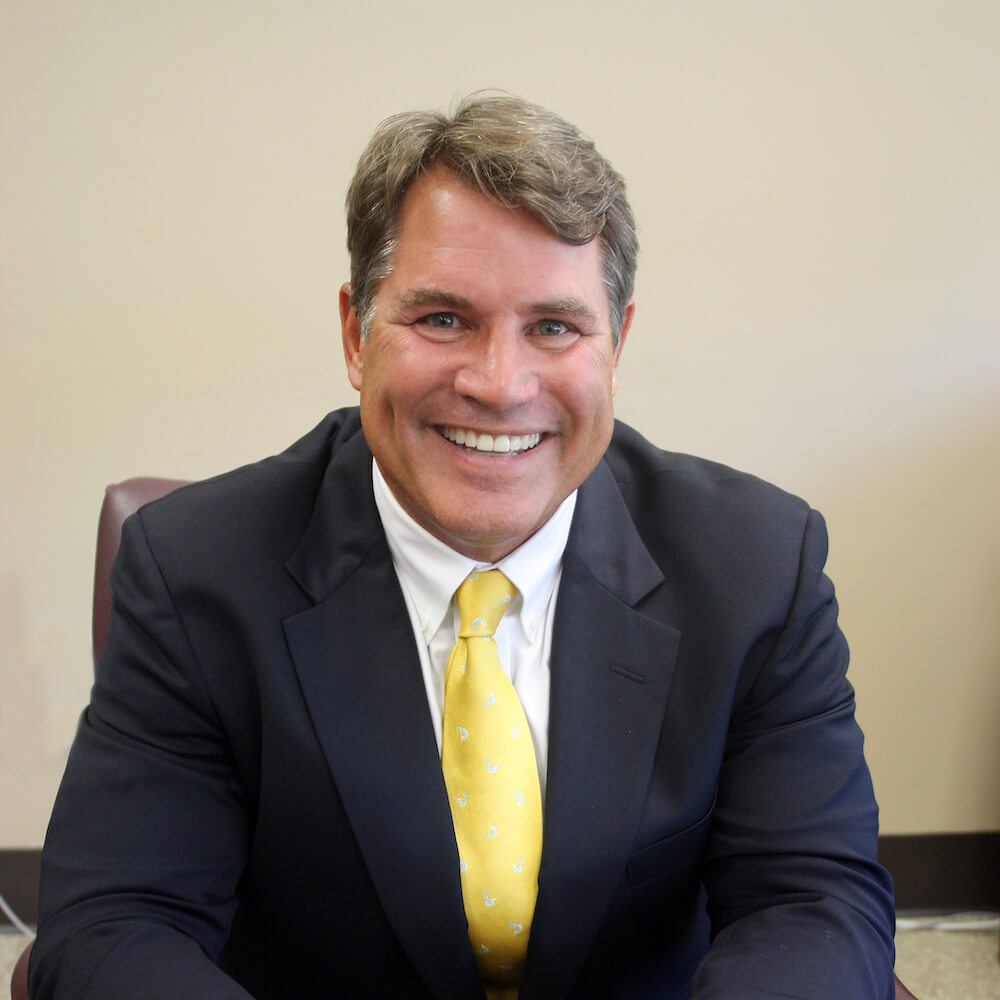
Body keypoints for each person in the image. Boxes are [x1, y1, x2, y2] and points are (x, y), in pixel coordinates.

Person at [31, 94, 895, 999]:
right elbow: (115, 925)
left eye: (554, 327)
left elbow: (812, 904)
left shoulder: (757, 567)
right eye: (443, 319)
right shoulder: (196, 573)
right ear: (356, 334)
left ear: (616, 346)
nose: (499, 384)